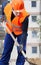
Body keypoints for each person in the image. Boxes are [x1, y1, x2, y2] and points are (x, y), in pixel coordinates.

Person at [0, 0, 30, 65]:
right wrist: (2, 15)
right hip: (10, 31)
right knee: (6, 50)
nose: (18, 14)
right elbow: (3, 5)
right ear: (12, 9)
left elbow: (24, 32)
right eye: (17, 12)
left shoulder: (25, 17)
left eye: (20, 12)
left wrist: (21, 44)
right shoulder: (7, 7)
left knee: (21, 52)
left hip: (21, 33)